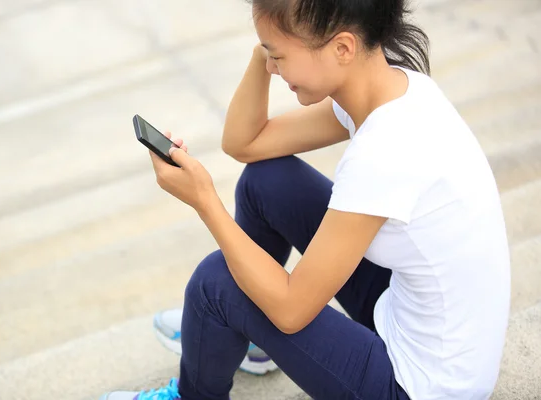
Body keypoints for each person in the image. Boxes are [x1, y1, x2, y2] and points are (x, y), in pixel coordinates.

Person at [100, 0, 511, 398]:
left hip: (418, 387)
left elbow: (292, 310)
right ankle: (256, 339)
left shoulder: (384, 152)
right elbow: (246, 144)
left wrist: (204, 200)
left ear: (342, 48)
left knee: (216, 283)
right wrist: (269, 45)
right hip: (415, 319)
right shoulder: (397, 90)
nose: (273, 67)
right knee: (267, 181)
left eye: (278, 55)